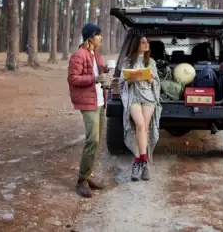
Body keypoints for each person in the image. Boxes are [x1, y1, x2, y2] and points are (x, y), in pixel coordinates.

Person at [68, 23, 112, 198]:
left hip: (99, 102)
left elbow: (96, 74)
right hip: (88, 103)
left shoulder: (95, 55)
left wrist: (105, 70)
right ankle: (81, 181)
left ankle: (87, 177)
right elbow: (73, 78)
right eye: (98, 35)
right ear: (89, 38)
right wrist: (95, 78)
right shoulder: (79, 55)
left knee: (97, 141)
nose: (101, 37)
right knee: (92, 140)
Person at [119, 35, 162, 181]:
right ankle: (143, 161)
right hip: (133, 96)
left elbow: (156, 82)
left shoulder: (151, 62)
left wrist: (150, 79)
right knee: (139, 124)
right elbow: (122, 81)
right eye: (143, 42)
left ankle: (139, 164)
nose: (146, 44)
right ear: (136, 45)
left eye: (147, 42)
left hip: (148, 97)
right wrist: (130, 78)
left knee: (144, 128)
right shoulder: (127, 61)